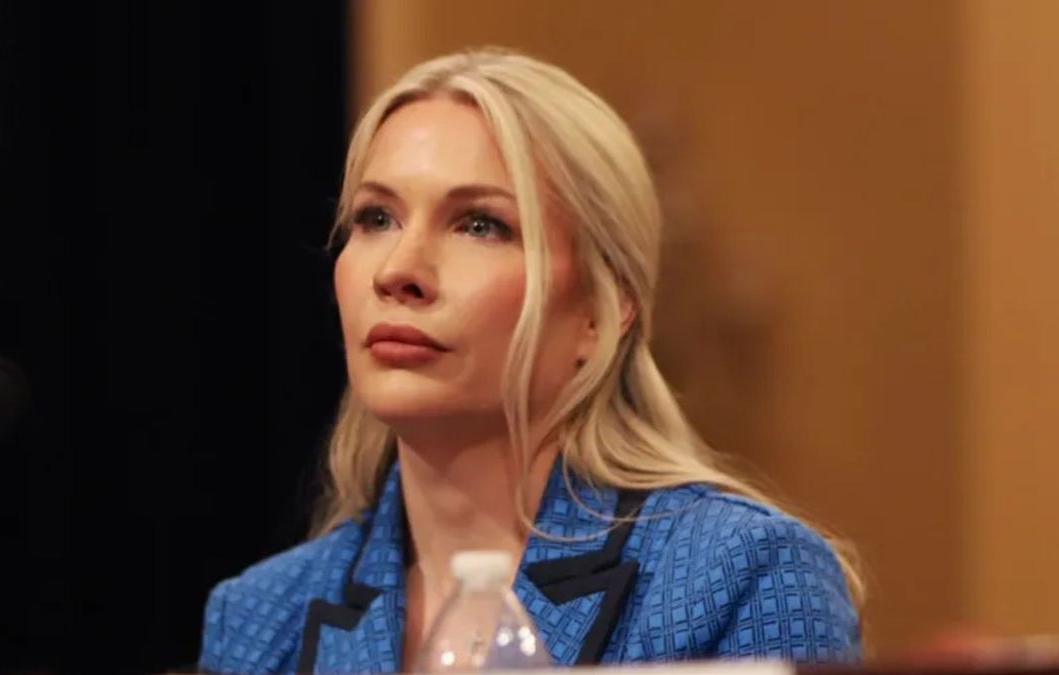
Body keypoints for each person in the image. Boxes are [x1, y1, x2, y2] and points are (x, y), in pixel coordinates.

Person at [198, 47, 862, 674]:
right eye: (376, 218)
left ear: (602, 309)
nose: (399, 270)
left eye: (479, 225)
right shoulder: (259, 620)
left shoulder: (743, 576)